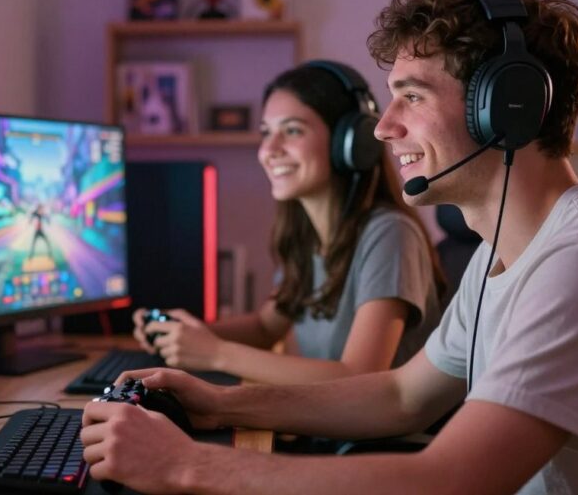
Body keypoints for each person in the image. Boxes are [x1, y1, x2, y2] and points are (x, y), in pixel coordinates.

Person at [81, 0, 578, 495]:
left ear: (507, 108)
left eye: (412, 97)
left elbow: (454, 480)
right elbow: (402, 395)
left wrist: (186, 465)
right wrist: (220, 406)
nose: (384, 128)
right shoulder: (503, 253)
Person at [132, 61, 446, 386]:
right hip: (320, 417)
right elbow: (265, 328)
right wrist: (182, 335)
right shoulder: (308, 237)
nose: (269, 150)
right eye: (266, 132)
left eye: (293, 131)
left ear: (350, 143)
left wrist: (216, 353)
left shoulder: (390, 234)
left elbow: (359, 376)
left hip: (369, 422)